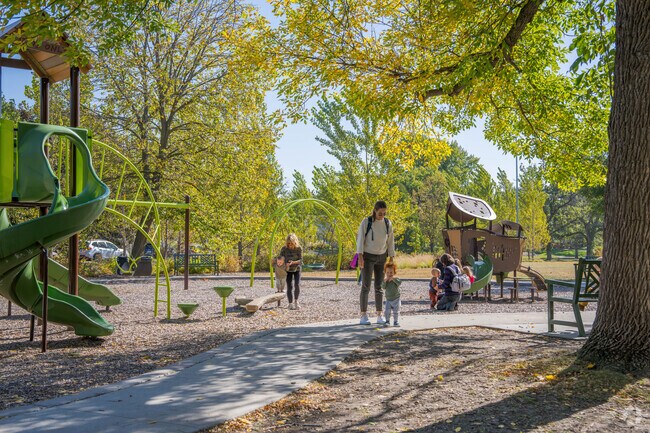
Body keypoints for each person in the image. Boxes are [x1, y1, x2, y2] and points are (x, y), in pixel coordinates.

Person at [356, 200, 395, 325]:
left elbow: (390, 241)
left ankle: (379, 314)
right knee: (366, 286)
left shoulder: (387, 223)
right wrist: (360, 256)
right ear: (374, 210)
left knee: (379, 287)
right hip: (368, 256)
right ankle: (363, 315)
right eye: (380, 213)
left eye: (384, 213)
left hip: (382, 257)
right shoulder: (366, 222)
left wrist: (391, 257)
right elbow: (360, 239)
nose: (382, 216)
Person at [280, 234, 302, 310]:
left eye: (291, 243)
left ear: (294, 242)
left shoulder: (299, 249)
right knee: (289, 286)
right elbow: (280, 259)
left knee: (297, 284)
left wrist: (293, 262)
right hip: (288, 270)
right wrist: (284, 263)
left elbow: (301, 261)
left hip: (297, 269)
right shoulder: (284, 249)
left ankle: (296, 301)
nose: (289, 245)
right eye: (288, 243)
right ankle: (290, 303)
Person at [382, 261, 402, 327]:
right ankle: (387, 321)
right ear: (385, 272)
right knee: (387, 311)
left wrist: (393, 279)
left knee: (396, 311)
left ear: (394, 272)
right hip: (388, 299)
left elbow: (399, 283)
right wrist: (385, 281)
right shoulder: (386, 280)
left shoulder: (396, 279)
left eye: (391, 272)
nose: (389, 274)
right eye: (387, 272)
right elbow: (383, 287)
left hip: (396, 298)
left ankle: (396, 321)